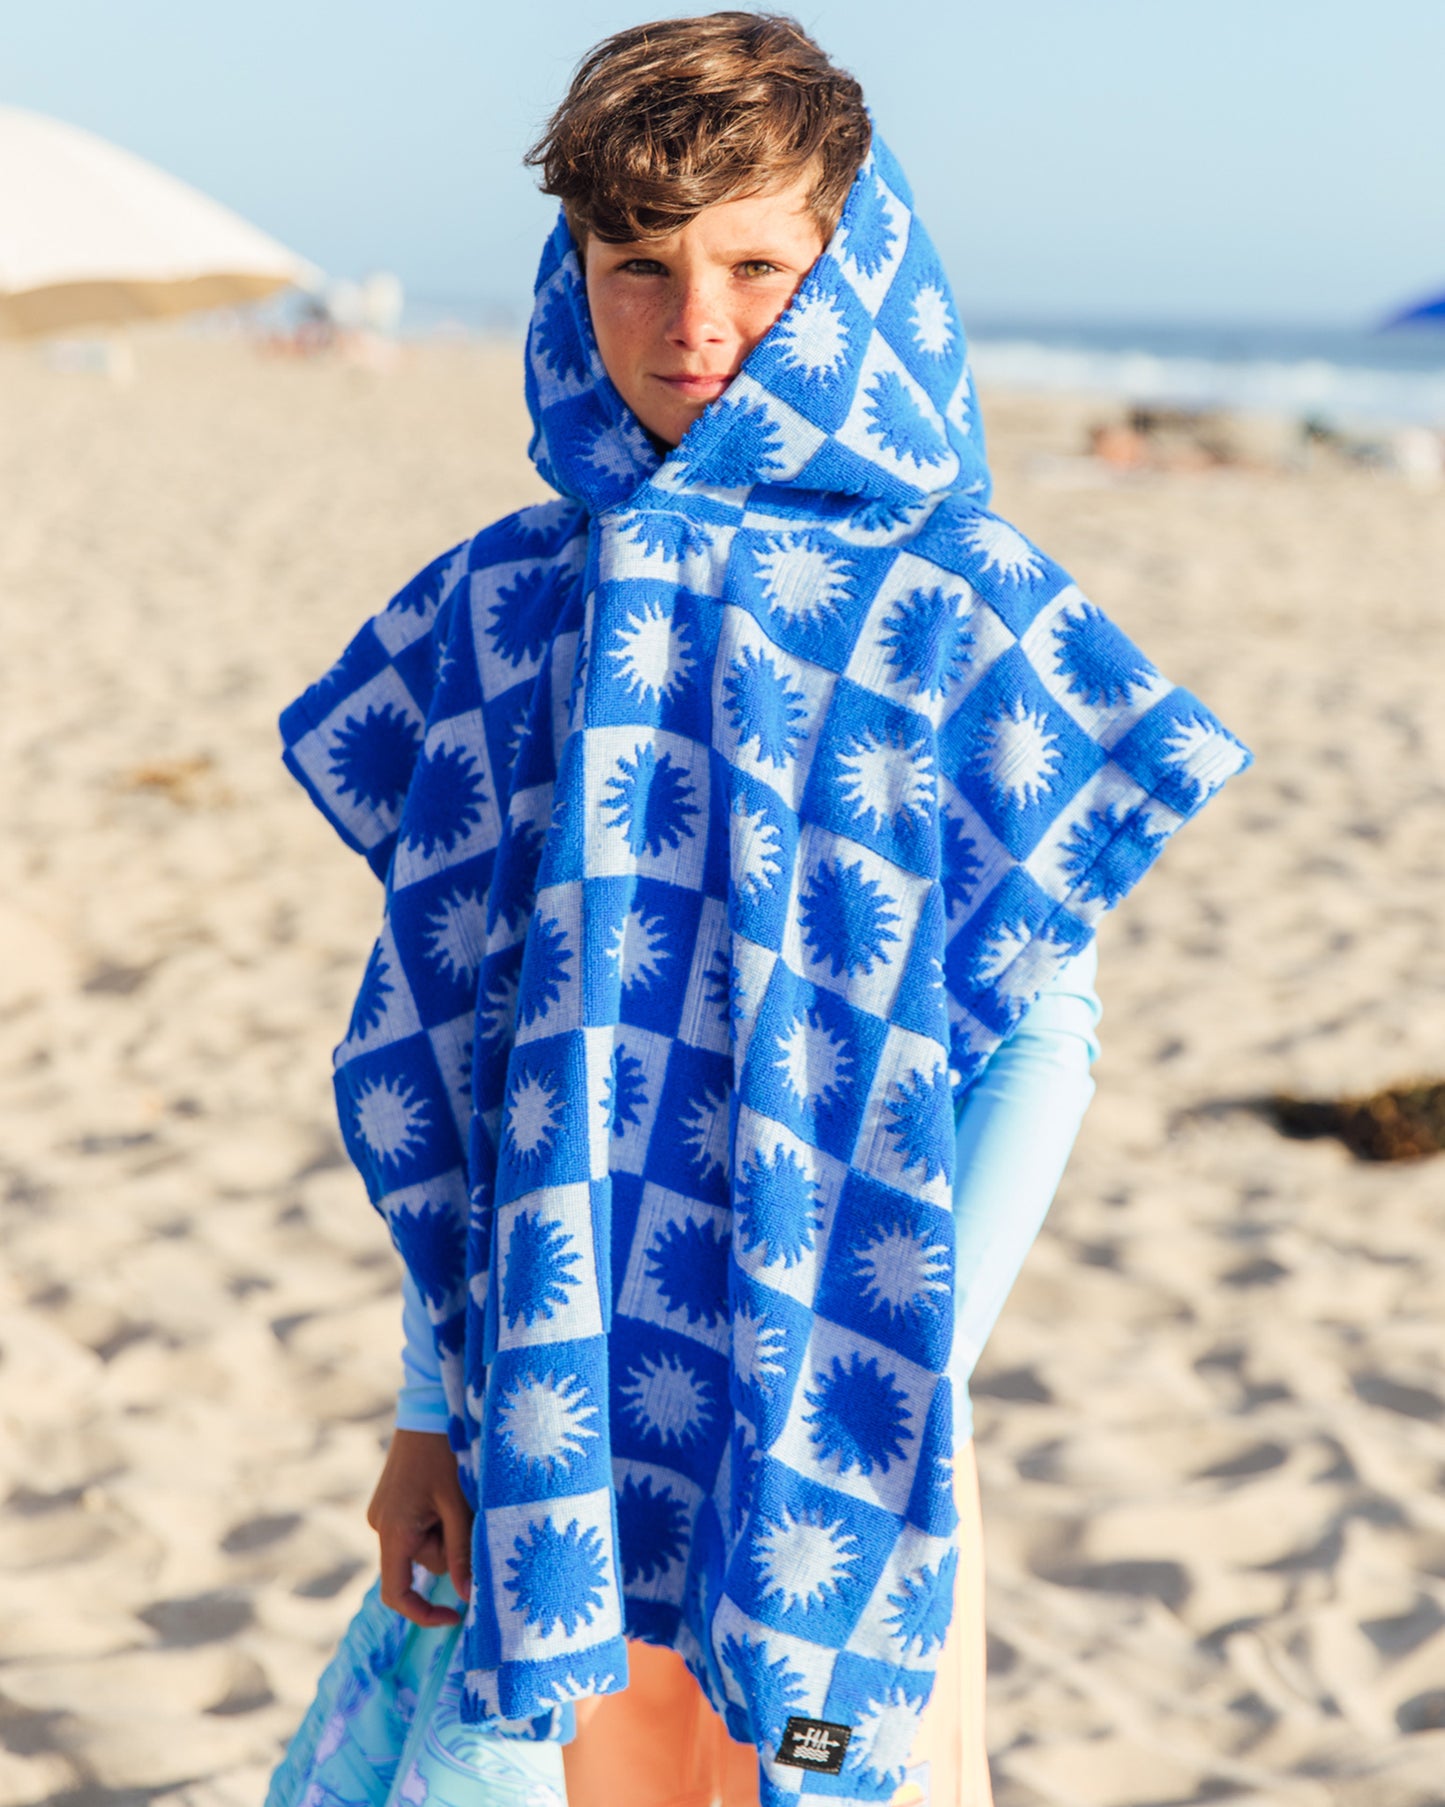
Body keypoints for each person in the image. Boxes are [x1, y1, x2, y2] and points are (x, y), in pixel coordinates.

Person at [266, 16, 1247, 1807]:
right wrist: (423, 1407)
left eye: (755, 266)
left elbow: (1041, 1033)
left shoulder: (954, 602)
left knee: (804, 1765)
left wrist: (892, 1378)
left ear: (851, 265)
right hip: (550, 1410)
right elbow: (465, 1059)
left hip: (842, 1422)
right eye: (634, 266)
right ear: (570, 276)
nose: (693, 321)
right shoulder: (509, 607)